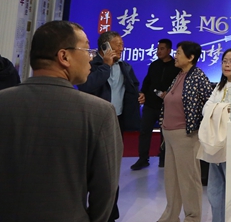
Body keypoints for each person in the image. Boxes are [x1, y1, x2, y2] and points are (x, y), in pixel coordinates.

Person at [0, 20, 122, 222]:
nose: (91, 58)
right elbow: (106, 190)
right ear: (64, 56)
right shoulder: (99, 113)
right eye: (87, 50)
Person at [78, 30, 141, 222]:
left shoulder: (125, 66)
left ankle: (109, 214)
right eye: (117, 44)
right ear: (105, 47)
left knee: (110, 169)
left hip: (116, 121)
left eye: (122, 44)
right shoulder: (91, 64)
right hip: (93, 121)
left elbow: (132, 86)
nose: (122, 48)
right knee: (86, 168)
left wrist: (139, 96)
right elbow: (87, 86)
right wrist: (106, 65)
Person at [158, 41, 213, 222]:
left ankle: (193, 217)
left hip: (185, 136)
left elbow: (210, 103)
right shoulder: (179, 75)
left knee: (189, 180)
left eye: (179, 53)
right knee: (172, 180)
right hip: (169, 135)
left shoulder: (198, 76)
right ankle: (171, 216)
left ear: (190, 57)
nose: (175, 56)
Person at [198, 49, 231, 222]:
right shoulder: (219, 87)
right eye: (224, 61)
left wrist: (217, 110)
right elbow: (205, 109)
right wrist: (224, 110)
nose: (227, 65)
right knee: (214, 190)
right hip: (215, 144)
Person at [132, 38, 181, 170]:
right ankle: (143, 159)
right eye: (158, 48)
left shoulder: (176, 67)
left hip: (166, 106)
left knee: (165, 134)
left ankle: (163, 158)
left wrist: (169, 93)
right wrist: (142, 93)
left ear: (169, 50)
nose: (159, 51)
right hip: (150, 104)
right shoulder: (154, 65)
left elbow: (178, 85)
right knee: (144, 131)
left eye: (162, 49)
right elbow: (147, 82)